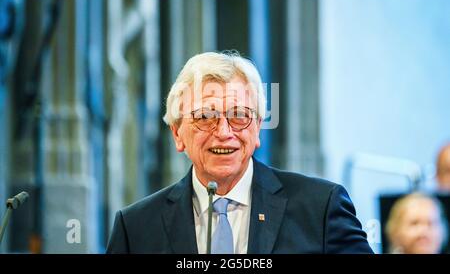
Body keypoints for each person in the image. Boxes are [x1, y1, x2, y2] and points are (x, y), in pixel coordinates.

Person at [106, 51, 373, 254]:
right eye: (205, 117)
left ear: (257, 128)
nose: (223, 131)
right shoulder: (135, 228)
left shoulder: (320, 208)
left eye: (239, 116)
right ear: (177, 133)